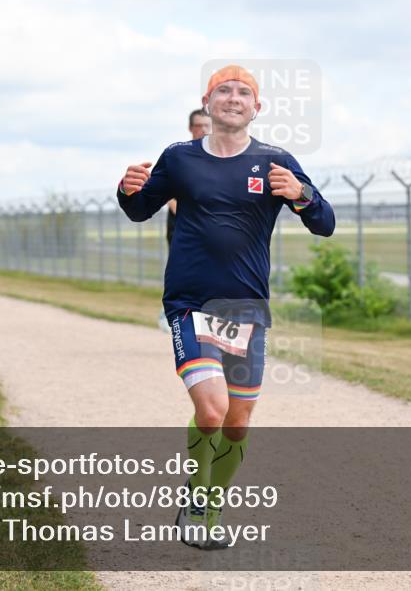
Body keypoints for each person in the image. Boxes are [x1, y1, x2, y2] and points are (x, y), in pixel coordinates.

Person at [118, 65, 335, 549]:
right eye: (223, 91)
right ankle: (198, 507)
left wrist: (303, 196)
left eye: (243, 92)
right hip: (190, 304)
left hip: (248, 311)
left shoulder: (276, 161)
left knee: (236, 424)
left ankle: (207, 504)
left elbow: (325, 223)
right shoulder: (179, 159)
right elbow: (139, 208)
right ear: (208, 103)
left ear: (257, 108)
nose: (233, 98)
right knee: (212, 411)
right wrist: (125, 189)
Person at [158, 108, 214, 332]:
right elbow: (171, 198)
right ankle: (170, 315)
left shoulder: (216, 157)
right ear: (191, 128)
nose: (203, 130)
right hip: (183, 228)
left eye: (207, 126)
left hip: (210, 231)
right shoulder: (180, 157)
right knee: (184, 274)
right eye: (199, 126)